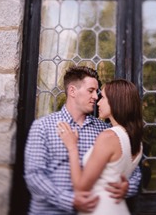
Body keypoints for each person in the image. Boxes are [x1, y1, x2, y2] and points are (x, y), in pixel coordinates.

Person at [24, 66, 142, 215]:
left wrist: (127, 187)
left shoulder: (105, 131)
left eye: (98, 92)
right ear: (72, 91)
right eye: (91, 91)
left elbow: (133, 169)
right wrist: (70, 200)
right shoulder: (43, 126)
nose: (96, 97)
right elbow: (34, 176)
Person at [57, 78, 143, 215]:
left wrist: (72, 147)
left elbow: (81, 187)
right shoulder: (137, 141)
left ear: (115, 102)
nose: (98, 101)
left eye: (102, 97)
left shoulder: (108, 137)